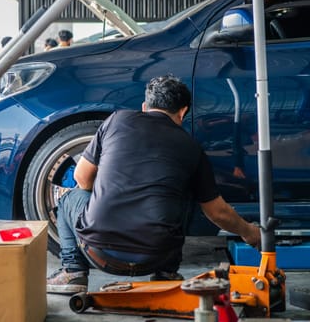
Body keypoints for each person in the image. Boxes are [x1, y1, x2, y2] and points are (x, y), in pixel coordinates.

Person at [46, 74, 261, 294]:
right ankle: (166, 273)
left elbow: (82, 178)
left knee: (68, 199)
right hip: (157, 256)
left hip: (99, 253)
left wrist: (108, 190)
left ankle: (73, 272)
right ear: (183, 112)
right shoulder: (191, 147)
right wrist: (250, 232)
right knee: (184, 194)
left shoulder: (117, 120)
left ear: (145, 106)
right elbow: (217, 213)